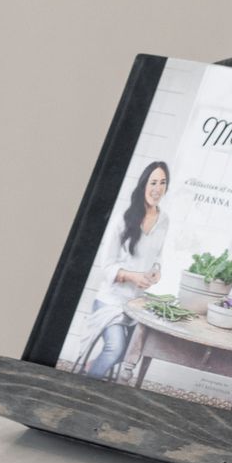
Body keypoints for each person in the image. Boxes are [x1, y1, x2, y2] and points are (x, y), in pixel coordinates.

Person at [83, 160, 170, 381]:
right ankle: (85, 387)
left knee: (135, 350)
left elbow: (157, 255)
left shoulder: (164, 220)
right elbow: (107, 266)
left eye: (162, 182)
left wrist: (156, 271)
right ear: (143, 185)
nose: (157, 188)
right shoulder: (124, 217)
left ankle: (93, 366)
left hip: (136, 305)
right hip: (110, 302)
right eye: (153, 182)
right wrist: (133, 276)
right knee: (114, 349)